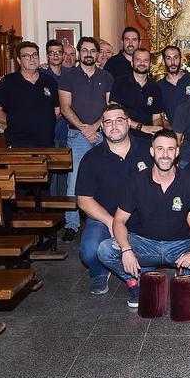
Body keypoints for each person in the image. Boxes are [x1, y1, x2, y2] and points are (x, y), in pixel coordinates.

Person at [97, 130, 190, 308]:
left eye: (170, 149)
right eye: (160, 149)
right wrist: (126, 250)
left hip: (180, 245)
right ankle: (136, 281)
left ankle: (184, 270)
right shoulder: (137, 181)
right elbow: (118, 221)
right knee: (104, 249)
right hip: (144, 243)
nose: (165, 155)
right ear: (152, 152)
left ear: (177, 152)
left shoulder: (189, 180)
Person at [75, 103, 153, 295]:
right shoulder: (91, 158)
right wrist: (111, 222)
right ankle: (99, 273)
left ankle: (133, 270)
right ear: (102, 126)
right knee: (89, 250)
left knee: (149, 267)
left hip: (142, 218)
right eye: (108, 122)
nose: (114, 126)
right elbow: (84, 200)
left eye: (119, 121)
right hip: (104, 219)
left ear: (128, 123)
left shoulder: (148, 150)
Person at [58, 36, 113, 241]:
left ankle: (105, 220)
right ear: (80, 53)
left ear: (98, 54)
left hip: (103, 134)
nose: (88, 54)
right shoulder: (68, 77)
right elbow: (65, 108)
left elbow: (109, 106)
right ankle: (71, 224)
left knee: (106, 179)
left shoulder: (106, 76)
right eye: (85, 50)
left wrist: (96, 127)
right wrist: (84, 128)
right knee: (74, 181)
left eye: (92, 51)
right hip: (77, 135)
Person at [0, 41, 59, 148]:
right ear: (19, 60)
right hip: (19, 144)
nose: (32, 58)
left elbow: (58, 109)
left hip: (46, 143)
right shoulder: (8, 82)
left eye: (34, 55)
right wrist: (16, 122)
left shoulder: (49, 81)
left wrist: (44, 121)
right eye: (26, 56)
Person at [40, 39, 73, 197]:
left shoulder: (69, 73)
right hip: (49, 131)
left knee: (66, 172)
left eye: (58, 52)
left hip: (67, 130)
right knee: (51, 172)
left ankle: (64, 209)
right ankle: (51, 209)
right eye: (52, 52)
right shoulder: (41, 74)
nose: (55, 55)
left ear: (62, 55)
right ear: (47, 56)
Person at [110, 48, 165, 139]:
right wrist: (142, 127)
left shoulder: (155, 87)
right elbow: (115, 113)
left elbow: (157, 117)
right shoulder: (120, 82)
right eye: (138, 60)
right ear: (132, 63)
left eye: (145, 60)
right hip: (124, 135)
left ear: (150, 64)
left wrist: (157, 129)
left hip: (147, 137)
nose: (142, 63)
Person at [156, 45, 190, 125]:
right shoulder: (158, 87)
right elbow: (158, 117)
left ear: (181, 60)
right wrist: (173, 131)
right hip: (173, 133)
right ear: (163, 62)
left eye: (176, 57)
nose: (173, 62)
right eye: (168, 58)